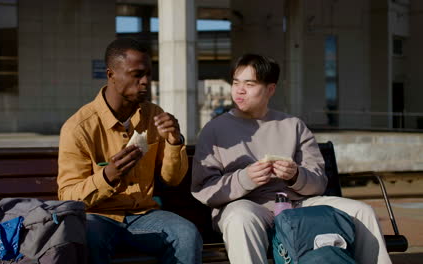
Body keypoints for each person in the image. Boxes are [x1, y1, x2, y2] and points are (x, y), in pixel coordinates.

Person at [191, 53, 392, 264]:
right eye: (235, 83)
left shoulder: (293, 125)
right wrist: (245, 179)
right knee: (240, 219)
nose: (239, 90)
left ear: (270, 89)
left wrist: (295, 175)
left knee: (363, 211)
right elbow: (204, 189)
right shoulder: (214, 129)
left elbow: (319, 182)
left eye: (249, 84)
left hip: (297, 203)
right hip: (247, 205)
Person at [57, 38, 202, 264]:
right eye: (136, 74)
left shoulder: (153, 114)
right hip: (98, 217)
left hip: (144, 215)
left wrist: (174, 141)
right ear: (111, 74)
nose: (145, 82)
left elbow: (172, 180)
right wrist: (108, 176)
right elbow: (68, 196)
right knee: (88, 238)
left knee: (186, 234)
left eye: (148, 74)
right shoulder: (79, 127)